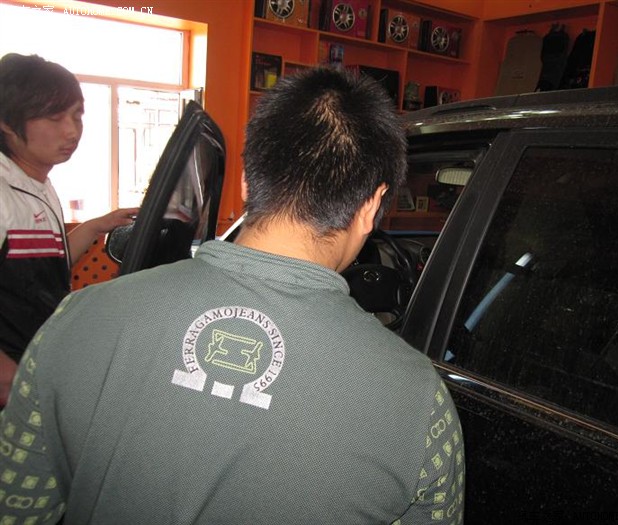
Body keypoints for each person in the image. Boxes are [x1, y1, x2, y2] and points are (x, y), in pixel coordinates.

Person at [0, 67, 465, 524]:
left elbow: (17, 505)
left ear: (246, 181)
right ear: (371, 206)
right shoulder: (421, 406)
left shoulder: (76, 320)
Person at [0, 53, 138, 406]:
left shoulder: (38, 183)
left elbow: (48, 264)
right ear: (7, 122)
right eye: (54, 117)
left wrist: (96, 226)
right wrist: (12, 382)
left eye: (77, 115)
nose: (72, 131)